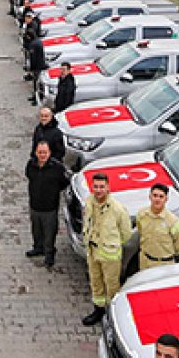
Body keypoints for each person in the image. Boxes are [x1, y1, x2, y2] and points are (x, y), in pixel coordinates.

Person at [81, 173, 131, 326]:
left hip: (110, 254)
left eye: (102, 187)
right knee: (96, 282)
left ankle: (112, 316)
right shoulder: (89, 202)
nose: (98, 190)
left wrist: (112, 244)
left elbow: (126, 234)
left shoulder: (117, 209)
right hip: (92, 251)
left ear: (108, 187)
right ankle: (98, 310)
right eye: (95, 186)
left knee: (112, 286)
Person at [25, 140, 71, 268]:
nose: (42, 155)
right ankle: (38, 247)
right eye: (40, 152)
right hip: (34, 205)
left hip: (50, 208)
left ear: (49, 153)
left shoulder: (57, 167)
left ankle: (49, 253)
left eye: (45, 152)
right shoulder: (31, 164)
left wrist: (53, 192)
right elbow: (28, 176)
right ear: (36, 152)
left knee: (50, 232)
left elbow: (65, 182)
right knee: (36, 229)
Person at [136, 184, 179, 271]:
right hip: (145, 261)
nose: (157, 199)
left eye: (161, 196)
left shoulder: (173, 221)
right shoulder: (142, 214)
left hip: (164, 265)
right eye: (155, 195)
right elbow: (140, 231)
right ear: (150, 196)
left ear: (166, 199)